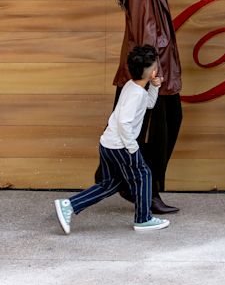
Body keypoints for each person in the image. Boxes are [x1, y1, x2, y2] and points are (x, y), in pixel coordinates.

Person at [104, 0, 183, 216]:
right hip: (152, 70)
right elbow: (144, 30)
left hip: (155, 67)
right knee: (156, 132)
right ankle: (145, 191)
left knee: (154, 128)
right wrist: (151, 73)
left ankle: (131, 182)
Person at [55, 45, 170, 233]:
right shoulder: (136, 93)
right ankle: (143, 219)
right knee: (143, 175)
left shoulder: (132, 87)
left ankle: (69, 205)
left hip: (108, 143)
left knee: (109, 185)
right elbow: (124, 122)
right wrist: (132, 148)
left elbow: (148, 104)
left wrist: (155, 87)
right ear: (152, 71)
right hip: (121, 146)